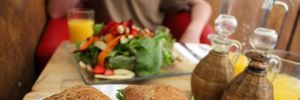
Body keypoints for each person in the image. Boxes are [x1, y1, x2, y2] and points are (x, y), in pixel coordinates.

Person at [47, 0, 212, 43]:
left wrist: (193, 32)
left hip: (148, 47)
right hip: (107, 46)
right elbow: (55, 10)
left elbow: (202, 5)